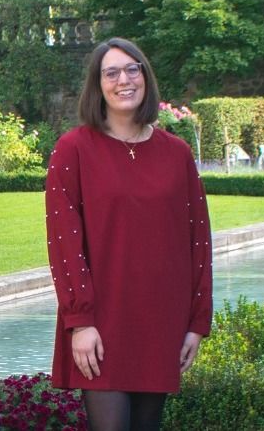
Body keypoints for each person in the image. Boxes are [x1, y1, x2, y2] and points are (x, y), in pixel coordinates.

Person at [43, 38, 212, 431]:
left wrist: (196, 322)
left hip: (160, 319)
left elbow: (198, 240)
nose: (124, 80)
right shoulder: (73, 150)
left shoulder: (177, 153)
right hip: (100, 321)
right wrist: (80, 322)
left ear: (146, 77)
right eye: (112, 72)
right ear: (97, 84)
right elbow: (64, 245)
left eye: (133, 69)